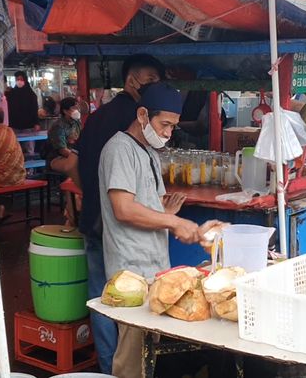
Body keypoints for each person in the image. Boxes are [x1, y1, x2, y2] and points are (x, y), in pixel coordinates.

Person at [98, 82, 217, 378]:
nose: (168, 132)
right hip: (130, 270)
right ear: (142, 115)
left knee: (151, 351)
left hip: (155, 266)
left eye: (173, 127)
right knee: (132, 355)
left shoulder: (150, 152)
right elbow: (123, 209)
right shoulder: (119, 149)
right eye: (164, 124)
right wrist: (174, 222)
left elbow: (149, 205)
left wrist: (168, 216)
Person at [71, 54, 164, 373]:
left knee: (102, 299)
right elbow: (125, 203)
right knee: (127, 302)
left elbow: (76, 165)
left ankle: (108, 367)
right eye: (150, 81)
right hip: (116, 228)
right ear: (132, 80)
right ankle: (123, 369)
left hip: (93, 219)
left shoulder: (97, 117)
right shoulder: (136, 122)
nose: (154, 88)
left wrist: (91, 196)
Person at [6, 71, 40, 153]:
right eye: (17, 79)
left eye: (21, 79)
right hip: (14, 125)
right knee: (15, 148)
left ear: (25, 80)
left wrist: (36, 123)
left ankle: (30, 161)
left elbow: (34, 109)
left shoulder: (31, 95)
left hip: (28, 126)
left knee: (29, 148)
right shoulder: (11, 93)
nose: (19, 81)